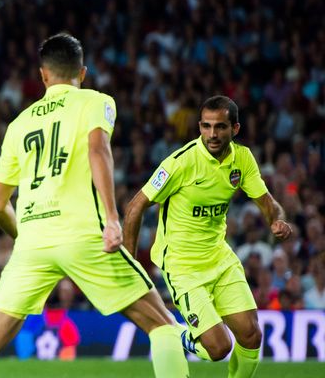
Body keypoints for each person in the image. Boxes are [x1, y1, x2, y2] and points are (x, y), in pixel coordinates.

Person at [0, 33, 189, 378]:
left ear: (43, 75)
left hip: (33, 241)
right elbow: (98, 150)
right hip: (83, 234)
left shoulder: (18, 124)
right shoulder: (94, 101)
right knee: (164, 327)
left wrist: (27, 238)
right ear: (82, 73)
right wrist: (112, 218)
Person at [123, 95, 292, 378]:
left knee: (251, 335)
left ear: (234, 129)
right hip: (182, 265)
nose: (212, 134)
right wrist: (129, 264)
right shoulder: (181, 163)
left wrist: (277, 219)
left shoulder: (242, 159)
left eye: (220, 127)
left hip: (219, 257)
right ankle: (176, 334)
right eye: (206, 126)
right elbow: (135, 206)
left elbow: (268, 203)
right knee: (218, 348)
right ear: (199, 126)